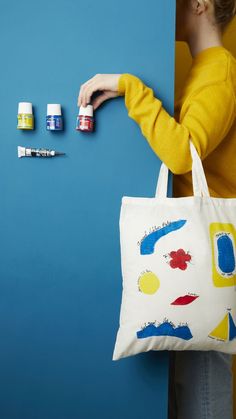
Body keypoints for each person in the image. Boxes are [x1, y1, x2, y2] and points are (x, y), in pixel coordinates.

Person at [77, 0, 236, 417]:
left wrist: (133, 89)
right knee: (193, 379)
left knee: (203, 382)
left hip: (207, 254)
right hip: (196, 251)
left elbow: (184, 153)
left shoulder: (219, 70)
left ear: (199, 5)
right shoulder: (207, 69)